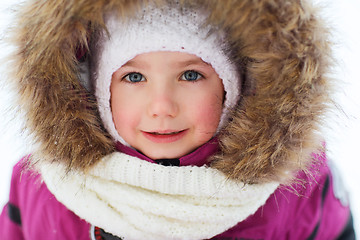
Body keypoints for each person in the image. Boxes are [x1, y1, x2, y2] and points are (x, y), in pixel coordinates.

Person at [0, 0, 355, 239]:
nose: (162, 107)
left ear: (236, 87)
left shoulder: (296, 183)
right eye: (134, 78)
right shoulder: (42, 187)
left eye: (190, 76)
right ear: (96, 90)